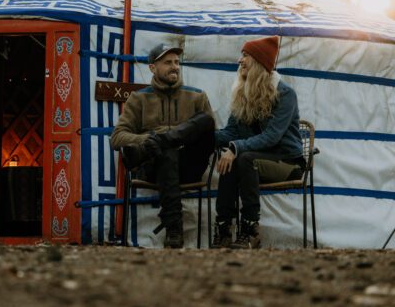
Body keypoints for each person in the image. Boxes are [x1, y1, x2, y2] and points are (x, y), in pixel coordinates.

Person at [111, 43, 215, 248]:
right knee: (166, 151)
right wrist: (148, 139)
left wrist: (170, 138)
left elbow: (209, 134)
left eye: (177, 62)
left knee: (206, 121)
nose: (174, 67)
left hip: (188, 166)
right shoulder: (139, 98)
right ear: (152, 67)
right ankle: (174, 226)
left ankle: (164, 140)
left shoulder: (196, 96)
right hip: (154, 166)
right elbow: (117, 137)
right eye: (167, 62)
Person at [212, 36, 304, 249]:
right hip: (255, 158)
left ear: (260, 61)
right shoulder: (243, 93)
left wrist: (235, 147)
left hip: (287, 162)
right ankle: (224, 228)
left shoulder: (285, 94)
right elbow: (232, 131)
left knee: (243, 159)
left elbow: (272, 136)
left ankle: (250, 229)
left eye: (246, 56)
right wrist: (205, 135)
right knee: (235, 159)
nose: (240, 60)